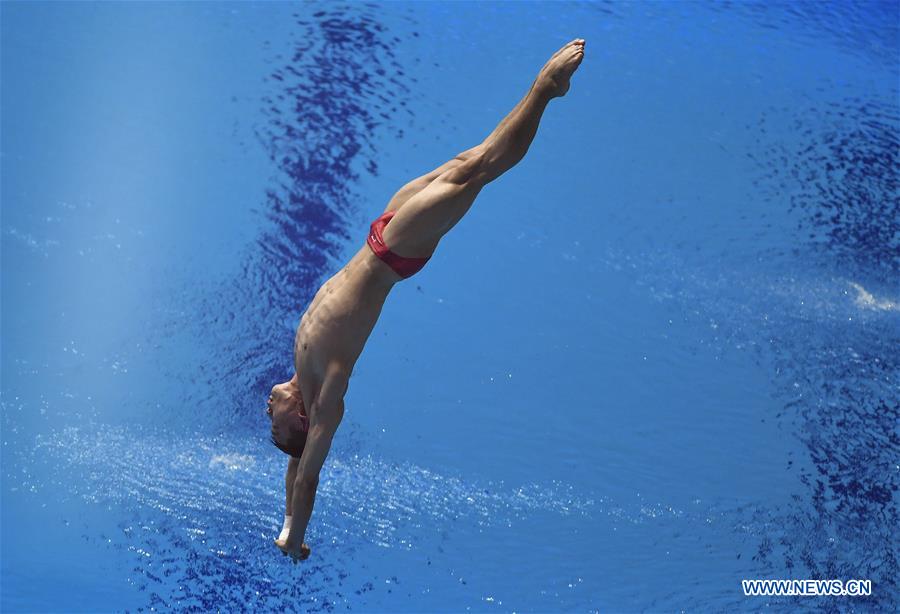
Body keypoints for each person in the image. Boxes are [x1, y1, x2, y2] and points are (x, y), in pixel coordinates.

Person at [267, 38, 586, 561]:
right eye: (274, 426)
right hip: (396, 251)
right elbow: (306, 476)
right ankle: (546, 89)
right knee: (480, 167)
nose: (266, 410)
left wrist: (283, 524)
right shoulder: (327, 392)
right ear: (299, 420)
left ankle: (544, 91)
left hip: (382, 231)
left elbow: (290, 472)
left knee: (469, 157)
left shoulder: (302, 370)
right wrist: (297, 536)